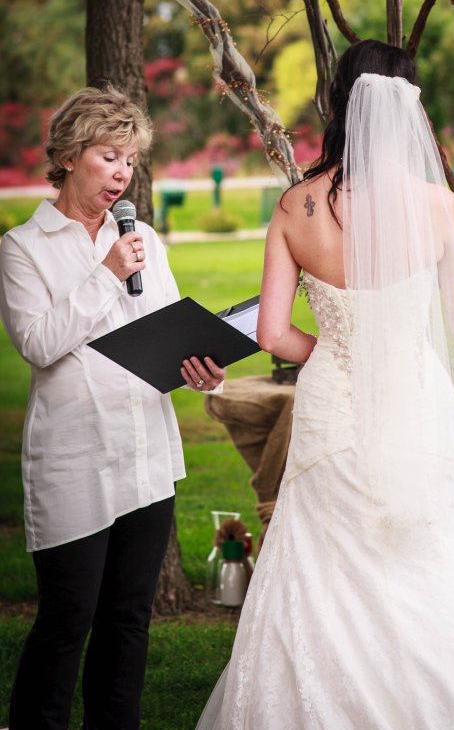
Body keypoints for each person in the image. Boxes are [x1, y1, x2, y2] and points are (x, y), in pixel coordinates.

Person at [195, 40, 454, 729]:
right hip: (413, 401)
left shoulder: (298, 206)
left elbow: (271, 335)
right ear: (408, 108)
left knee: (322, 559)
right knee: (423, 558)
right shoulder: (437, 207)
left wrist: (337, 349)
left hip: (332, 400)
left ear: (339, 104)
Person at [0, 87, 225, 730]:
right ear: (71, 156)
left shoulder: (144, 237)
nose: (124, 172)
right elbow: (39, 345)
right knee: (68, 619)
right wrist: (103, 272)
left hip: (146, 452)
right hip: (74, 457)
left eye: (130, 159)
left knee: (129, 619)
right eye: (110, 155)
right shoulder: (23, 247)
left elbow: (169, 329)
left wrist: (198, 368)